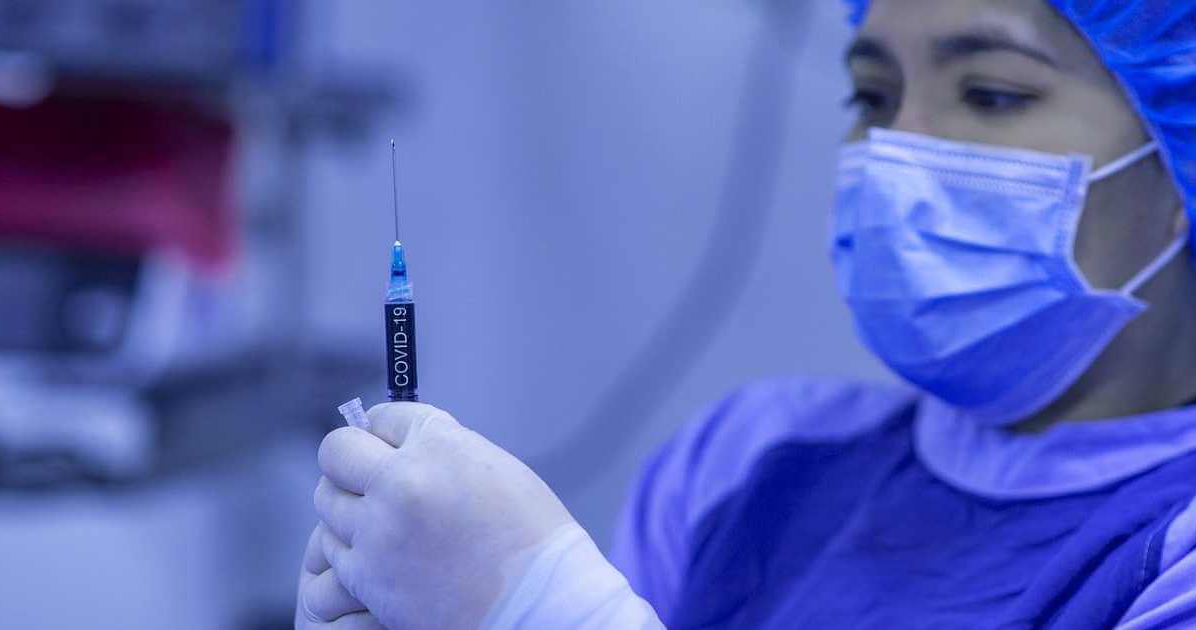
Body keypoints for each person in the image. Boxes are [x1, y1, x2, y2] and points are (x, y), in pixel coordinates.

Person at [296, 0, 1196, 627]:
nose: (896, 149)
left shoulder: (1171, 554)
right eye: (871, 98)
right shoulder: (747, 463)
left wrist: (539, 609)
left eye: (991, 94)